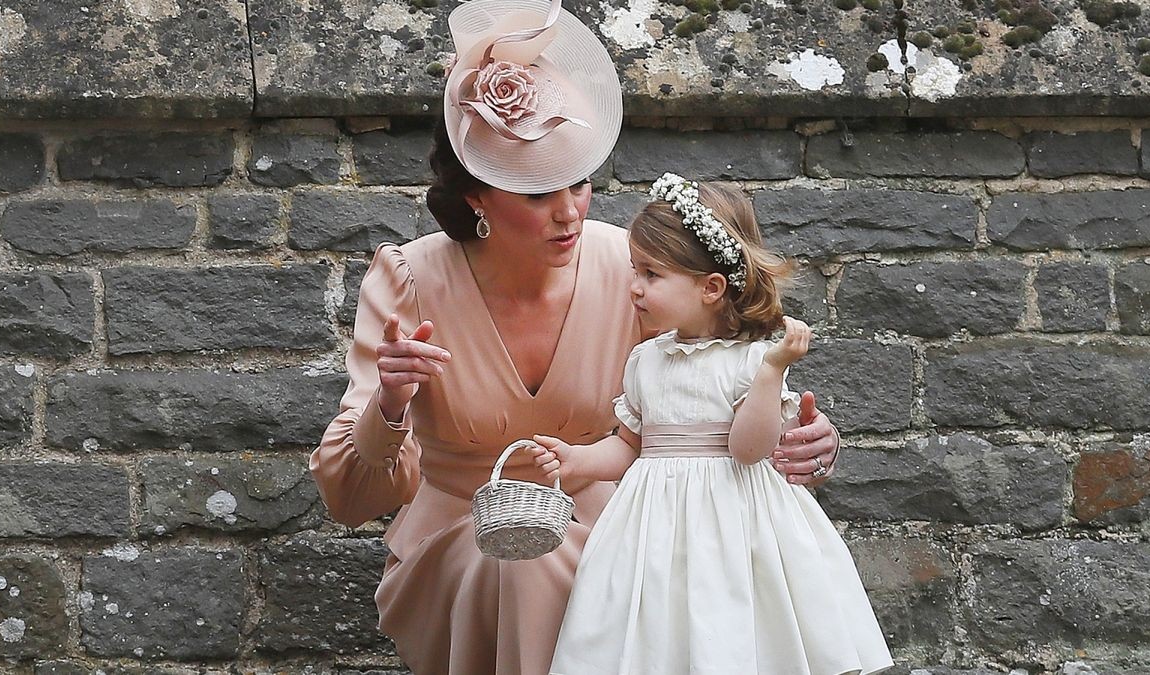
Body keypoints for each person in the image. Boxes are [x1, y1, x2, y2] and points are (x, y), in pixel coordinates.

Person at [309, 1, 843, 673]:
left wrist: (810, 442)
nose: (569, 212)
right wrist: (388, 405)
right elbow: (348, 497)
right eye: (538, 196)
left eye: (580, 184)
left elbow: (724, 373)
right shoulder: (409, 281)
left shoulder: (633, 270)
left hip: (622, 530)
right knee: (521, 565)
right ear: (478, 195)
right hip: (462, 538)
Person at [534, 175, 893, 675]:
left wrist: (773, 371)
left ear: (711, 287)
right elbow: (629, 446)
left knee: (732, 626)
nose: (634, 287)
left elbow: (750, 449)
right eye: (634, 271)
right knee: (659, 631)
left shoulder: (751, 362)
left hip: (736, 523)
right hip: (652, 528)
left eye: (652, 275)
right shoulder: (645, 361)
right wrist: (578, 459)